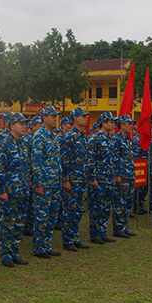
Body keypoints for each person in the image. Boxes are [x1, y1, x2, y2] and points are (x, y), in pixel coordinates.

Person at [0, 112, 31, 267]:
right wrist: (1, 190)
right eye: (21, 123)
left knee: (19, 223)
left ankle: (15, 252)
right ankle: (6, 255)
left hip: (22, 189)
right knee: (7, 223)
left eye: (25, 123)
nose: (25, 126)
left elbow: (25, 166)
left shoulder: (22, 142)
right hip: (9, 191)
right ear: (11, 125)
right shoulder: (3, 142)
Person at [30, 106, 64, 259]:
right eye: (52, 116)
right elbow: (36, 162)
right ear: (44, 118)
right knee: (41, 217)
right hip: (44, 184)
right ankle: (38, 247)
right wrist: (38, 184)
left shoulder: (54, 136)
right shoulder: (39, 136)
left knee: (52, 217)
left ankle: (46, 245)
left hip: (55, 183)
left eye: (56, 116)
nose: (55, 118)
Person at [59, 107, 91, 251]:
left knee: (78, 211)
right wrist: (65, 179)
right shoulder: (69, 136)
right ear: (75, 118)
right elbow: (64, 160)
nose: (86, 118)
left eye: (86, 116)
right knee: (69, 211)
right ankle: (67, 240)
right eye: (83, 116)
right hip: (71, 180)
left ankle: (75, 237)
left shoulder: (83, 136)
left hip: (81, 179)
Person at [87, 111, 117, 244]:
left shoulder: (110, 139)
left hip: (109, 179)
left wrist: (115, 175)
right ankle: (94, 234)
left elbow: (112, 160)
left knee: (106, 208)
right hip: (99, 179)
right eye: (111, 122)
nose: (114, 124)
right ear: (104, 124)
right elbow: (91, 160)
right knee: (96, 208)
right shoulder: (95, 139)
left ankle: (103, 231)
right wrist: (93, 178)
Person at [111, 114, 136, 238]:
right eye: (129, 123)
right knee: (120, 203)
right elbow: (115, 158)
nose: (131, 126)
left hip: (129, 175)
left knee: (127, 203)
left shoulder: (127, 139)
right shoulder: (117, 139)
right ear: (122, 125)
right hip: (122, 177)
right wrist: (117, 175)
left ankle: (124, 227)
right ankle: (118, 228)